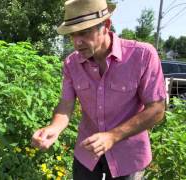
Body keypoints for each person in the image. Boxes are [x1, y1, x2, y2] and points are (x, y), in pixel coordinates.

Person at [31, 0, 166, 179]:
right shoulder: (72, 63)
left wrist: (113, 136)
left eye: (85, 32)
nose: (77, 42)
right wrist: (54, 128)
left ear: (106, 25)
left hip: (127, 156)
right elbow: (66, 104)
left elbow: (156, 110)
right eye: (72, 34)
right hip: (87, 153)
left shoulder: (142, 55)